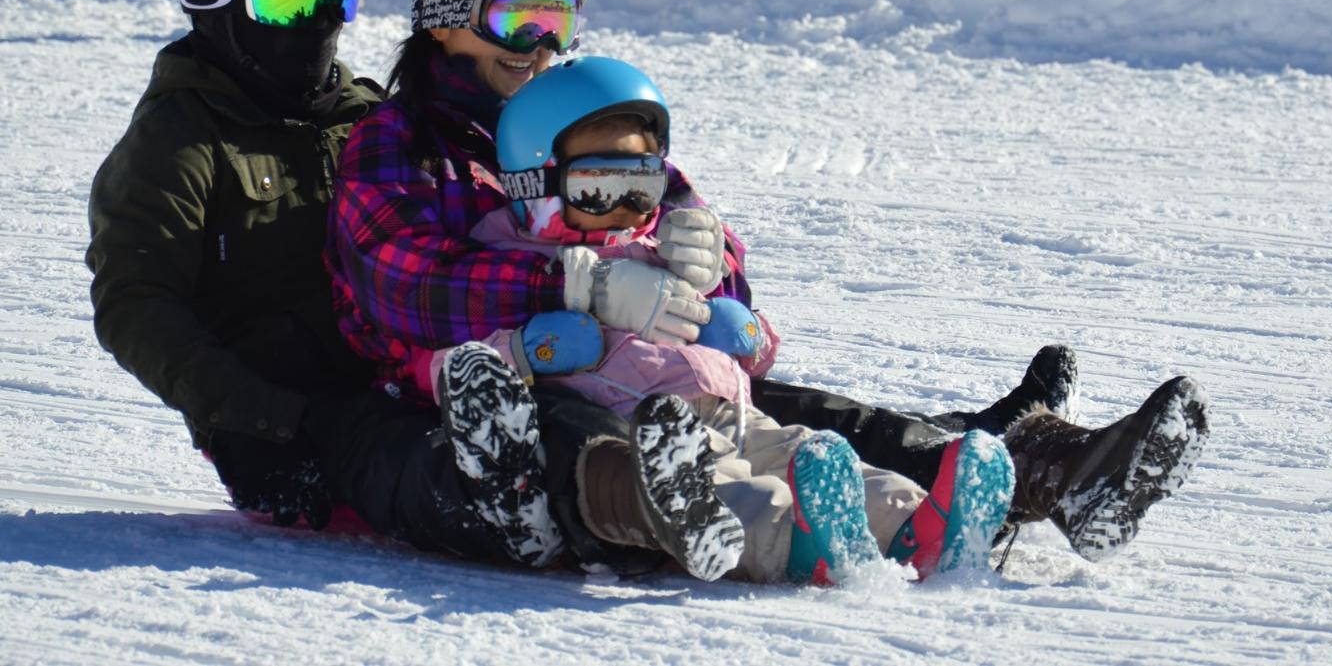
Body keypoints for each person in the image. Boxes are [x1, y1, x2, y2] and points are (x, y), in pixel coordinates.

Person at [328, 0, 1210, 569]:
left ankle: (1052, 474)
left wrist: (709, 265)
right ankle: (705, 516)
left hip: (642, 366)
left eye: (556, 19)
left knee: (805, 417)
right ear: (443, 21)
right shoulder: (397, 145)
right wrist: (573, 285)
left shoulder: (581, 110)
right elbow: (401, 286)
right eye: (515, 18)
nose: (539, 45)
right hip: (495, 392)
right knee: (598, 430)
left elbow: (693, 233)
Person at [388, 54, 1021, 584]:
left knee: (818, 457)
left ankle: (919, 528)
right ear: (536, 183)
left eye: (643, 184)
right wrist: (524, 351)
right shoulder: (509, 260)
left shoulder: (662, 245)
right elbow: (449, 365)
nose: (628, 207)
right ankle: (799, 550)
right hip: (653, 433)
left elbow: (749, 347)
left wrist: (742, 331)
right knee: (739, 491)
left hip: (730, 405)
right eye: (598, 188)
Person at [85, 0, 563, 571]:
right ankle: (523, 512)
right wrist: (258, 419)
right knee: (407, 452)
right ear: (212, 2)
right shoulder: (178, 143)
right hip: (295, 416)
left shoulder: (363, 115)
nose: (319, 16)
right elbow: (135, 307)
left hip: (404, 368)